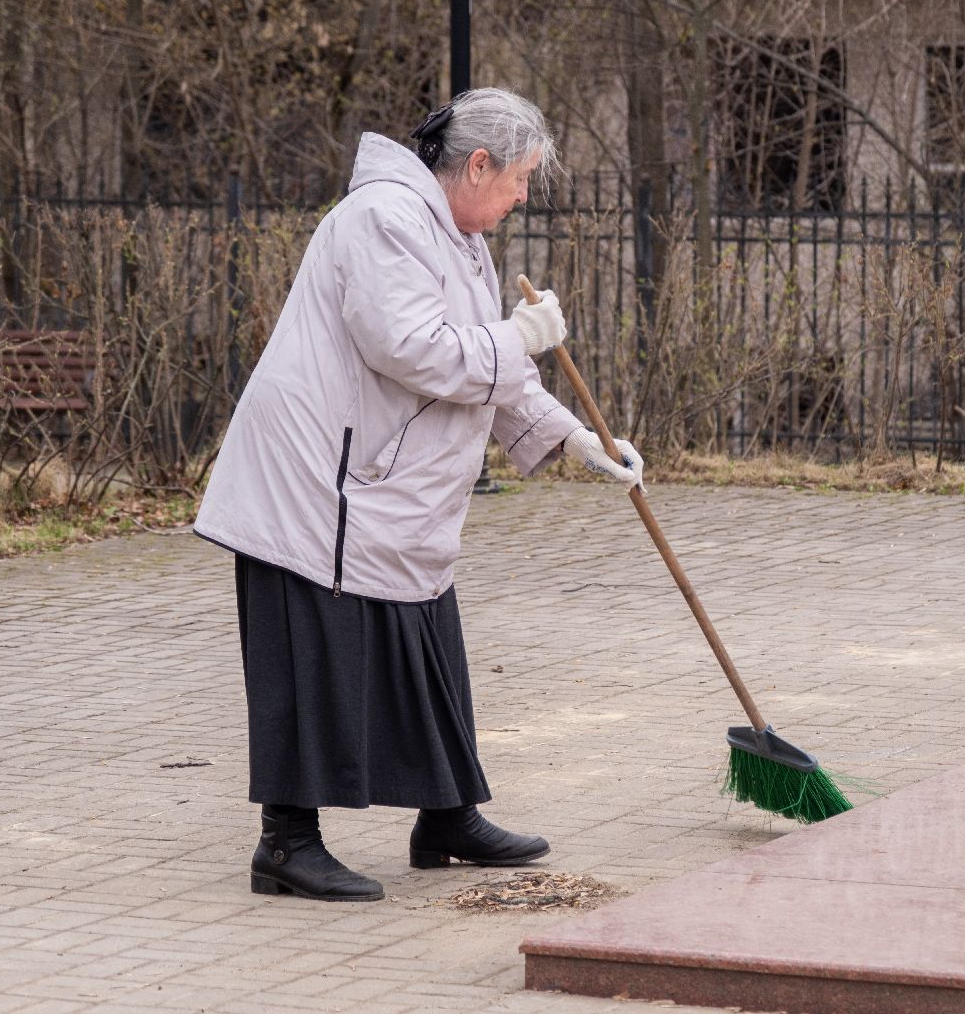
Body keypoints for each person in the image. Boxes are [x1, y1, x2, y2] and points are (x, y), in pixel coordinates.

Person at [194, 88, 644, 902]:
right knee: (313, 654)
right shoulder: (383, 219)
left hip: (381, 487)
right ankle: (286, 845)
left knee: (423, 641)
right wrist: (517, 339)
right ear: (477, 165)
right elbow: (414, 349)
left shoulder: (457, 234)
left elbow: (487, 369)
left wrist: (577, 438)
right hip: (315, 482)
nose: (523, 197)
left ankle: (447, 816)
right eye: (519, 179)